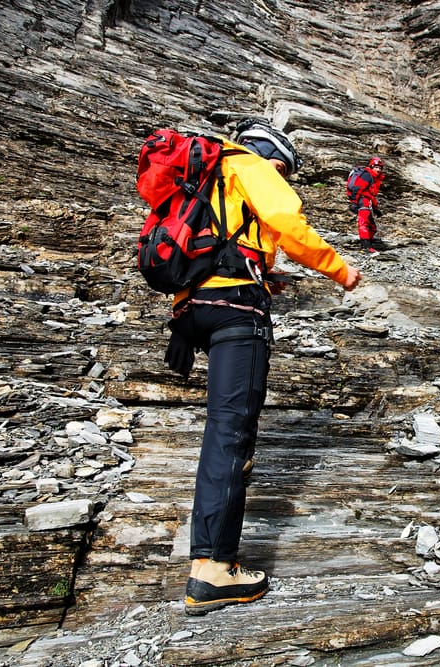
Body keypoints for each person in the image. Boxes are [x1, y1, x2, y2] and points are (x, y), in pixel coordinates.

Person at [162, 118, 362, 615]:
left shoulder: (206, 179)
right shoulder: (250, 165)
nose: (286, 180)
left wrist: (265, 276)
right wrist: (341, 270)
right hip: (235, 313)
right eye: (286, 172)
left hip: (193, 310)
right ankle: (213, 570)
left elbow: (219, 245)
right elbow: (287, 223)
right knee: (231, 435)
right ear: (277, 160)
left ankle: (210, 559)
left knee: (223, 430)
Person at [351, 157, 386, 253]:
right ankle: (366, 246)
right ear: (371, 166)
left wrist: (376, 209)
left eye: (380, 168)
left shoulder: (372, 178)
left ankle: (367, 244)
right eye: (376, 167)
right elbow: (358, 189)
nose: (378, 170)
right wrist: (354, 202)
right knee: (364, 223)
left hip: (367, 202)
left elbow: (371, 195)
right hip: (362, 201)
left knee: (372, 227)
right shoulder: (367, 175)